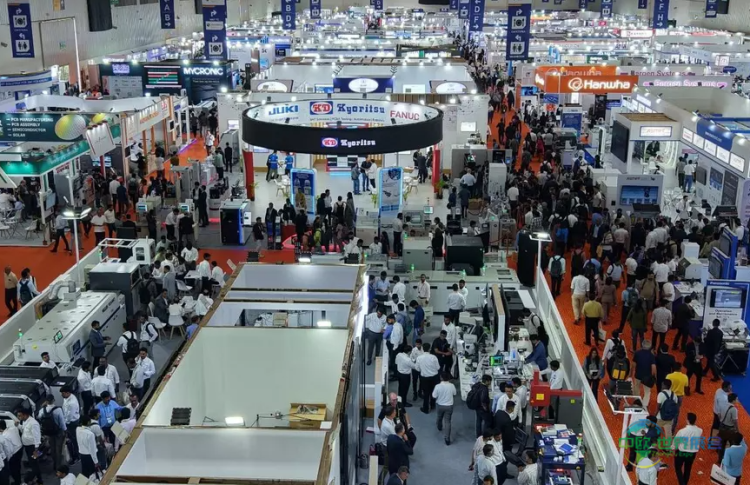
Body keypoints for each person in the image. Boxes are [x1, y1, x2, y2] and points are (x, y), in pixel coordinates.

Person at [37, 394, 66, 471]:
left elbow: (39, 418)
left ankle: (54, 464)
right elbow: (62, 422)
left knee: (52, 448)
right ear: (54, 400)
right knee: (58, 449)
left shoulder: (42, 410)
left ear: (46, 401)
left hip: (48, 432)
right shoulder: (58, 410)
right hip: (58, 432)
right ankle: (58, 467)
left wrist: (42, 406)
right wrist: (65, 430)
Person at [673, 412, 702, 485]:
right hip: (692, 453)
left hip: (681, 452)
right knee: (688, 469)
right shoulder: (700, 430)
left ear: (687, 420)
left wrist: (672, 448)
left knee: (678, 468)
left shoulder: (682, 431)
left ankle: (682, 483)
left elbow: (675, 443)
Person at [16, 408, 42, 483]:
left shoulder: (33, 423)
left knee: (34, 463)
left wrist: (36, 449)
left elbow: (37, 436)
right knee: (32, 463)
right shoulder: (25, 421)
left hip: (33, 447)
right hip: (28, 447)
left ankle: (38, 479)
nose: (18, 417)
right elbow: (24, 430)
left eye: (20, 416)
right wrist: (18, 425)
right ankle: (38, 479)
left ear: (25, 415)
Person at [414, 342, 440, 414]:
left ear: (423, 348)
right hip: (434, 377)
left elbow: (417, 368)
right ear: (429, 349)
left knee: (426, 393)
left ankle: (426, 409)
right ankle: (432, 405)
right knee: (433, 392)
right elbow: (438, 367)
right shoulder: (434, 357)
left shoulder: (419, 358)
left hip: (424, 378)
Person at [433, 372, 456, 445]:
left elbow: (434, 396)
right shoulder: (452, 385)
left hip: (440, 405)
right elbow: (454, 393)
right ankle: (447, 438)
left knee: (439, 417)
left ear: (441, 378)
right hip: (449, 406)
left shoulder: (437, 386)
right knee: (447, 421)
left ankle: (439, 426)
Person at [666, 362, 689, 432]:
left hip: (670, 395)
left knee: (668, 409)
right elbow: (686, 388)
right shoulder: (685, 377)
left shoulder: (669, 376)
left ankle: (667, 425)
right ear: (680, 368)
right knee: (676, 413)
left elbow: (666, 386)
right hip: (679, 396)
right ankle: (672, 429)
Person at [718, 393, 740, 464]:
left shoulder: (723, 405)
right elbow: (735, 421)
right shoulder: (734, 409)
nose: (737, 400)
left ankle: (720, 460)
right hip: (730, 430)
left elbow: (719, 414)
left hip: (722, 427)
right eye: (736, 399)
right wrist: (737, 430)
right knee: (733, 446)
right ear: (733, 400)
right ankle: (731, 460)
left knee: (722, 445)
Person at [60, 385, 80, 463]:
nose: (61, 395)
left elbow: (69, 417)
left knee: (74, 440)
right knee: (71, 440)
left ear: (68, 393)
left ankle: (77, 456)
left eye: (63, 393)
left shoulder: (72, 403)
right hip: (69, 421)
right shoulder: (67, 398)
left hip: (72, 423)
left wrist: (64, 425)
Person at [0, 419, 22, 485]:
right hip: (20, 449)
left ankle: (17, 483)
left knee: (13, 470)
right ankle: (18, 481)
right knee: (18, 468)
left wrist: (8, 459)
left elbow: (9, 450)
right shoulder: (12, 428)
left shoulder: (5, 436)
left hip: (14, 453)